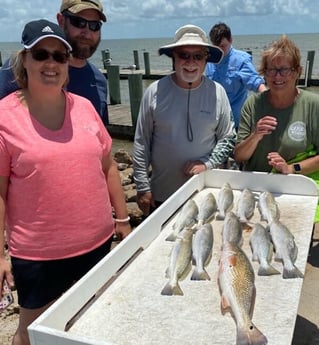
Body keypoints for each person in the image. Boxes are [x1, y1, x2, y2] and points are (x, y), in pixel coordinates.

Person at [0, 19, 131, 345]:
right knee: (32, 334)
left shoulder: (85, 108)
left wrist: (123, 218)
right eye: (41, 54)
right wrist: (0, 257)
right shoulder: (4, 117)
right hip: (38, 256)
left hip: (97, 245)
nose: (51, 63)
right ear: (24, 60)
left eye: (60, 56)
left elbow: (109, 166)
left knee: (87, 323)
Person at [133, 24, 236, 217]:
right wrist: (142, 186)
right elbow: (141, 142)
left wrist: (208, 162)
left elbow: (228, 137)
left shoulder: (218, 92)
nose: (191, 62)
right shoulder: (154, 91)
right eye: (184, 55)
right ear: (174, 58)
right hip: (162, 195)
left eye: (198, 56)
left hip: (205, 193)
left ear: (206, 60)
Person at [0, 0, 109, 125]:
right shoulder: (17, 69)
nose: (87, 33)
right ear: (61, 20)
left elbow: (100, 137)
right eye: (79, 23)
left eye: (94, 25)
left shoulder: (99, 81)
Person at [206, 22, 267, 130]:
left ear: (231, 40)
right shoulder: (209, 61)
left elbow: (256, 83)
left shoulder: (241, 60)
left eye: (222, 46)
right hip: (214, 124)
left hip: (237, 125)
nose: (219, 50)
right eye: (215, 46)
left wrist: (272, 101)